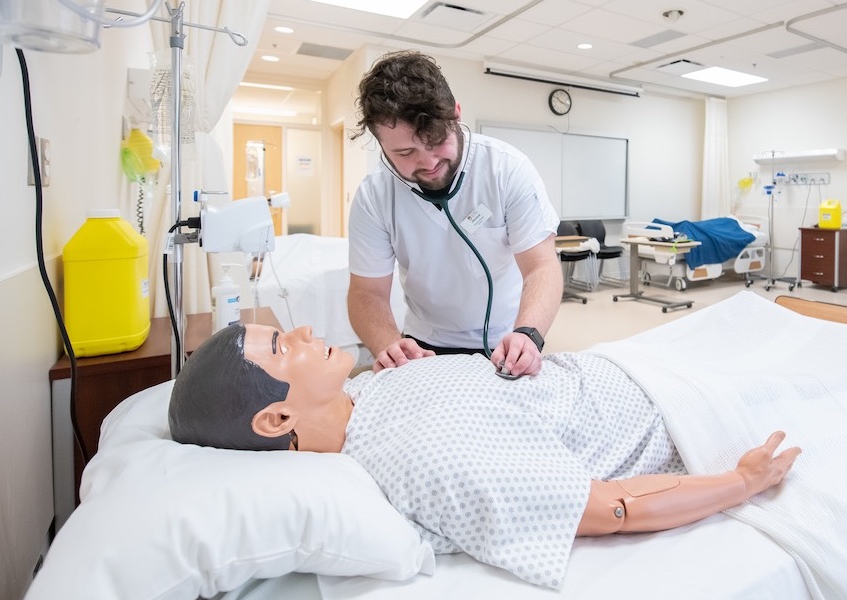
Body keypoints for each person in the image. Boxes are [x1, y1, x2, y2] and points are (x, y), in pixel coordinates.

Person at [169, 323, 800, 588]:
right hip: (672, 408)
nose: (305, 331)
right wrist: (741, 482)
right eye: (282, 345)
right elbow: (614, 509)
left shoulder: (367, 388)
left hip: (625, 364)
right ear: (277, 418)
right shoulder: (426, 460)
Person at [346, 50, 563, 377]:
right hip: (422, 345)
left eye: (436, 141)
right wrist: (388, 344)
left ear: (456, 114)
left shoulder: (506, 169)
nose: (428, 162)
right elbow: (367, 293)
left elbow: (542, 267)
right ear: (381, 145)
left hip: (508, 337)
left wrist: (528, 333)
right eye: (405, 152)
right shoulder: (374, 196)